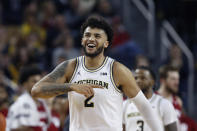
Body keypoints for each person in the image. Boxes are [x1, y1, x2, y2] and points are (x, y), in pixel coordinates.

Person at [31, 15, 162, 131]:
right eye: (87, 35)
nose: (91, 39)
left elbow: (145, 108)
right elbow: (36, 90)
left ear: (106, 43)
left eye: (97, 36)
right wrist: (71, 86)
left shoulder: (117, 70)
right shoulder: (70, 67)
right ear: (82, 40)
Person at [123, 66, 178, 131]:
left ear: (152, 82)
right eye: (135, 78)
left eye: (143, 78)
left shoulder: (164, 104)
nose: (138, 81)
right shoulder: (125, 105)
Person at [6, 66, 60, 131]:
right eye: (34, 81)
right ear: (25, 84)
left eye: (40, 81)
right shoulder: (22, 104)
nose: (38, 84)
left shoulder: (43, 102)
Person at [158, 65, 197, 131]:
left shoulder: (178, 100)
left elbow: (181, 121)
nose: (177, 82)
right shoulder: (154, 100)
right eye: (173, 79)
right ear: (163, 80)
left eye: (178, 79)